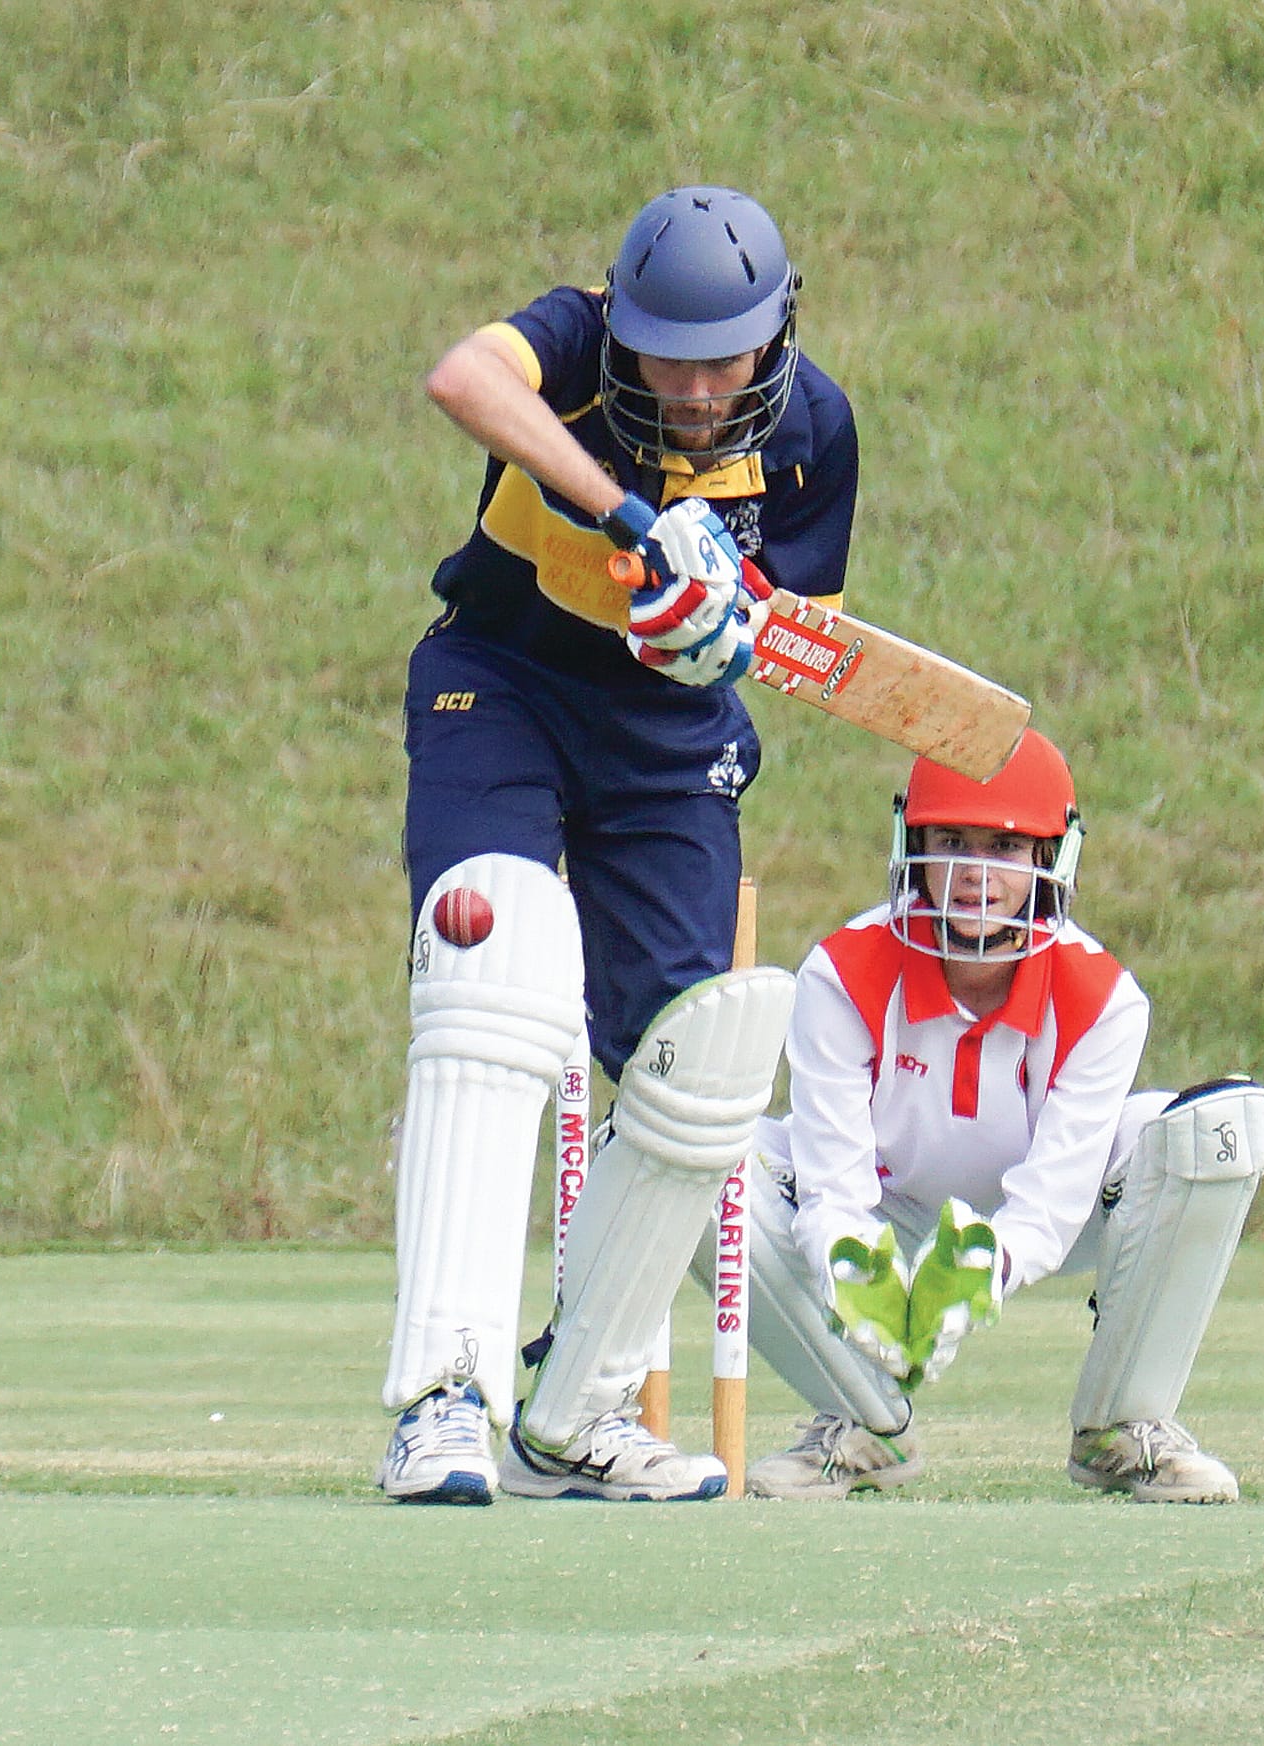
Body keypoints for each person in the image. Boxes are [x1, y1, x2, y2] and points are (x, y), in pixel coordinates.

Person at [376, 186, 858, 1505]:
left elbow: (800, 624)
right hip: (505, 683)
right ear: (621, 320)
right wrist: (626, 516)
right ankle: (444, 1396)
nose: (694, 386)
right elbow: (463, 376)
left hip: (669, 736)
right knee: (493, 949)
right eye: (666, 352)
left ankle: (579, 1409)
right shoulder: (578, 348)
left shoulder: (813, 431)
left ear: (776, 333)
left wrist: (730, 631)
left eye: (723, 357)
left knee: (697, 1052)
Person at [702, 728, 1264, 1503]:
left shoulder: (1103, 998)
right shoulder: (843, 972)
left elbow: (1052, 1202)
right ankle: (862, 1420)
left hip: (1058, 1221)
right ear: (913, 845)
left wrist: (976, 1269)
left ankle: (1123, 1427)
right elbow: (834, 1185)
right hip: (888, 1206)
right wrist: (853, 1265)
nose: (974, 875)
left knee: (1221, 1129)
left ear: (1050, 861)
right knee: (695, 1159)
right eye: (952, 842)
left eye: (1004, 849)